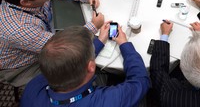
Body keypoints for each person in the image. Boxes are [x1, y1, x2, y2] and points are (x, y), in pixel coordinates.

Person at [0, 0, 104, 87]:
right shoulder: (18, 29)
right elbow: (61, 47)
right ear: (25, 2)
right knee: (79, 66)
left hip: (40, 39)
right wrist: (94, 26)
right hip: (23, 67)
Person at [20, 25, 150, 106]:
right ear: (91, 67)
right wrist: (124, 43)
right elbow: (140, 82)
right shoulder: (108, 101)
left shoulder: (33, 87)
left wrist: (99, 41)